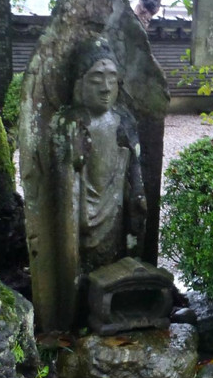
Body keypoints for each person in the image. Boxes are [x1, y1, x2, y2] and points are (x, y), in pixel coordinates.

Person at [53, 39, 147, 288]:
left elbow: (134, 166)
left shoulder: (123, 120)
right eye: (96, 79)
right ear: (79, 84)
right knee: (81, 263)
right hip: (83, 206)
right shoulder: (71, 122)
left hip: (114, 205)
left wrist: (137, 196)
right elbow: (62, 180)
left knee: (116, 255)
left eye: (111, 79)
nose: (105, 88)